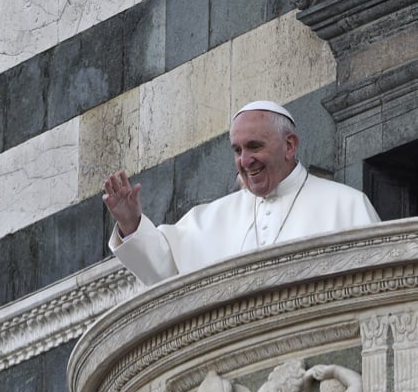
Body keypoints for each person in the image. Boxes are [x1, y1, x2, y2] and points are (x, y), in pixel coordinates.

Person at [103, 100, 381, 284]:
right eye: (238, 150)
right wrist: (131, 223)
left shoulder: (346, 205)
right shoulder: (209, 219)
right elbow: (165, 272)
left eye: (255, 147)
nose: (245, 161)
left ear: (289, 146)